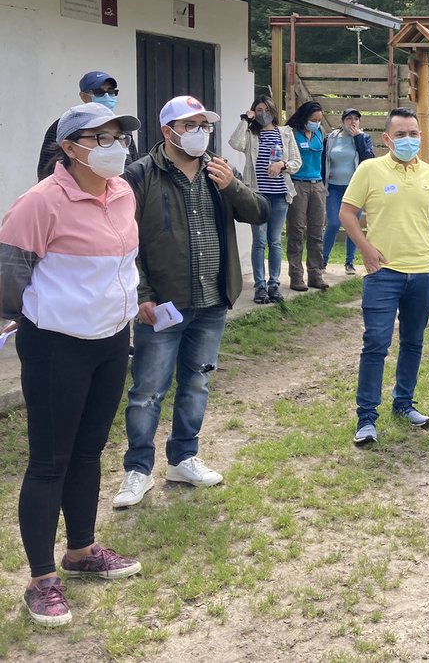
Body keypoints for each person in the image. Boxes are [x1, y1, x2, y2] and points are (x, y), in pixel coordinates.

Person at [1, 103, 144, 626]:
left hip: (110, 340)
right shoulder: (40, 203)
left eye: (117, 136)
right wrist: (22, 318)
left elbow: (125, 261)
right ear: (69, 147)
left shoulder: (123, 191)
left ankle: (81, 552)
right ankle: (41, 580)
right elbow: (8, 276)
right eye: (99, 137)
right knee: (49, 461)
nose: (114, 145)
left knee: (89, 450)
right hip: (57, 346)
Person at [112, 96, 268, 509]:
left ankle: (183, 458)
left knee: (197, 383)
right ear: (168, 132)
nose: (201, 133)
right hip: (163, 304)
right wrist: (142, 294)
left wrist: (231, 185)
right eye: (191, 125)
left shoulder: (219, 169)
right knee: (147, 390)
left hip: (211, 301)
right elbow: (124, 241)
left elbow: (259, 213)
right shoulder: (139, 175)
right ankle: (138, 469)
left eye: (205, 125)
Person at [340, 107, 429, 444]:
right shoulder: (370, 170)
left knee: (413, 342)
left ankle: (404, 403)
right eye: (401, 134)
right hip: (383, 273)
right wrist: (365, 248)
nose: (409, 140)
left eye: (414, 134)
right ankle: (366, 417)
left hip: (423, 273)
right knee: (376, 343)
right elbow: (347, 213)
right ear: (387, 138)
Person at [229, 95, 301, 303]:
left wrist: (282, 165)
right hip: (257, 195)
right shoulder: (251, 134)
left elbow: (297, 161)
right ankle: (260, 286)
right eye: (258, 110)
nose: (262, 114)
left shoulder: (285, 133)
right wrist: (245, 119)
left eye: (265, 109)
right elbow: (234, 142)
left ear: (273, 110)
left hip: (280, 194)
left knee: (275, 241)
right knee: (259, 242)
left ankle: (274, 285)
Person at [36, 71, 139, 181]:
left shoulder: (122, 126)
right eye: (99, 92)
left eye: (111, 91)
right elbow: (46, 170)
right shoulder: (66, 125)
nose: (107, 96)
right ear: (84, 96)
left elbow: (135, 167)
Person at [322, 108, 375, 275]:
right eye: (349, 118)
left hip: (354, 188)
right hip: (333, 187)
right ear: (342, 121)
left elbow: (368, 159)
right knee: (333, 223)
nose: (353, 122)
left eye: (356, 119)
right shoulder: (331, 138)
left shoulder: (364, 137)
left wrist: (358, 137)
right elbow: (323, 160)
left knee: (353, 225)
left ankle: (349, 262)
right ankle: (322, 259)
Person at [285, 100, 328, 292]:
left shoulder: (320, 133)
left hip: (317, 184)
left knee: (316, 231)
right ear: (304, 118)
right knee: (296, 231)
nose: (317, 123)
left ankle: (315, 273)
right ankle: (296, 275)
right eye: (313, 119)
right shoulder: (292, 134)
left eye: (319, 120)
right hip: (298, 184)